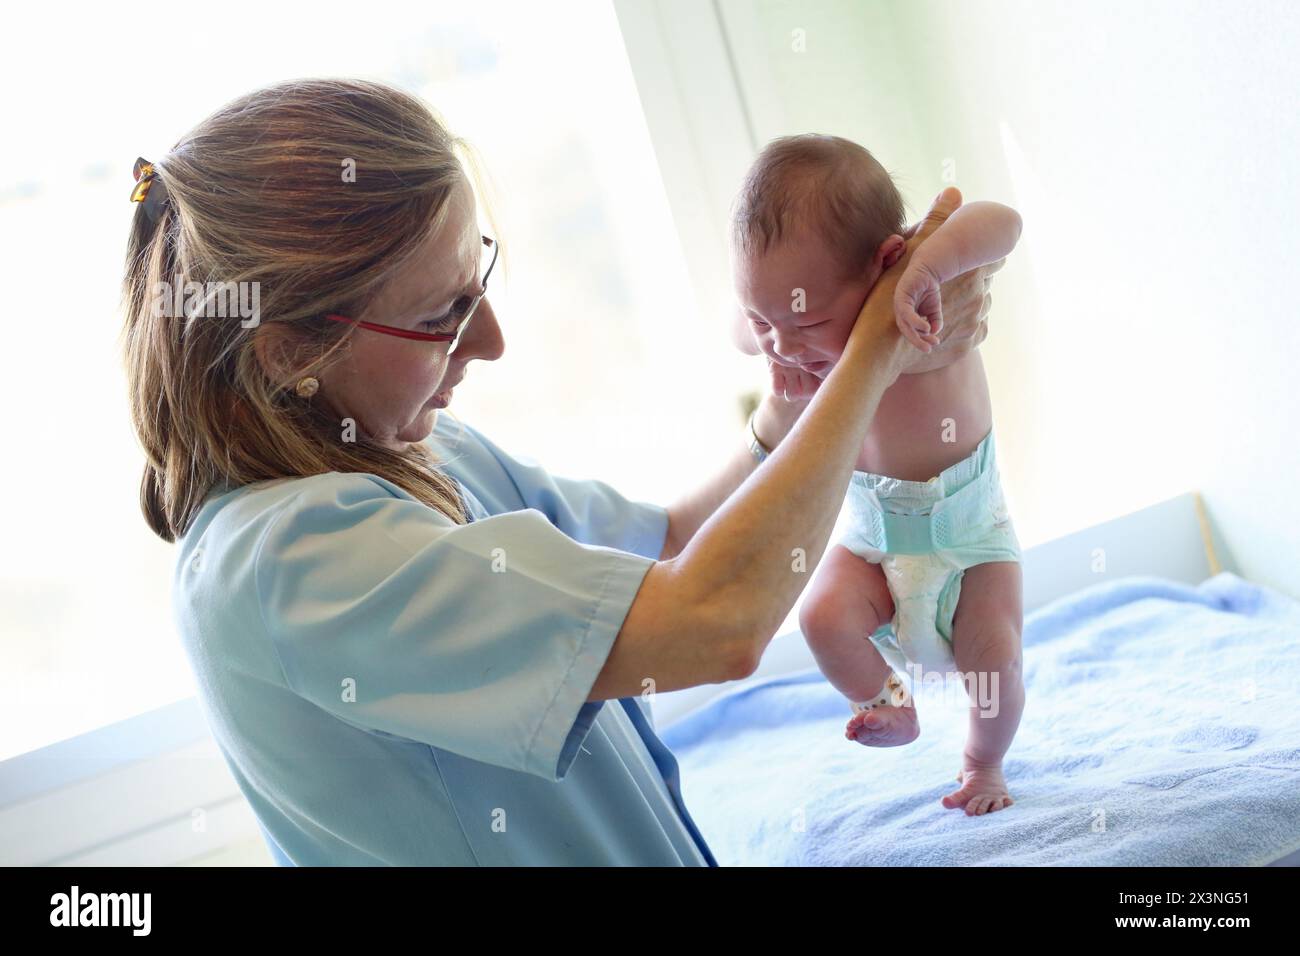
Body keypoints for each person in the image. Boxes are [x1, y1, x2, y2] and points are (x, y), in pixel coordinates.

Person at [120, 78, 996, 865]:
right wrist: (873, 352)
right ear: (287, 352)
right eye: (443, 314)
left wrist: (802, 385)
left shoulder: (420, 452)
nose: (493, 341)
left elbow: (676, 547)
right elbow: (717, 622)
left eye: (480, 280)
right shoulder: (290, 564)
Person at [729, 134, 1023, 815]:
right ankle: (889, 702)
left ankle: (983, 763)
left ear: (885, 264)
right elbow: (743, 330)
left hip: (970, 548)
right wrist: (766, 339)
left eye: (804, 320)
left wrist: (929, 269)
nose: (784, 343)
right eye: (764, 319)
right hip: (872, 548)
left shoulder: (928, 300)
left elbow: (1002, 223)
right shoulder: (785, 333)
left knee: (994, 665)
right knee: (821, 615)